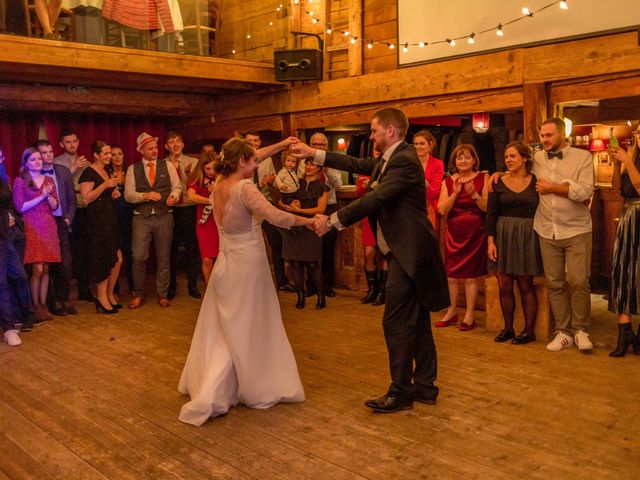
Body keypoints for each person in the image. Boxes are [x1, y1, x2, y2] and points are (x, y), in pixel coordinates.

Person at [292, 107, 449, 413]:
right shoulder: (388, 159)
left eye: (375, 131)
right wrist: (315, 153)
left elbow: (375, 198)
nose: (372, 136)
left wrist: (333, 220)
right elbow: (357, 163)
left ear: (390, 131)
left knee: (395, 320)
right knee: (416, 320)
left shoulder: (403, 160)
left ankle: (401, 391)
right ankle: (426, 387)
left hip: (411, 254)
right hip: (406, 251)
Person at [178, 136, 311, 426]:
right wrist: (310, 221)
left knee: (226, 327)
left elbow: (252, 156)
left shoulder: (218, 184)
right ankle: (245, 383)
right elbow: (276, 217)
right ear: (242, 162)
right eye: (252, 160)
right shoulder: (245, 187)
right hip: (249, 266)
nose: (257, 163)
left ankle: (217, 380)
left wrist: (280, 145)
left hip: (226, 264)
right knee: (248, 324)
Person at [534, 118, 595, 352]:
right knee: (555, 283)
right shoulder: (537, 158)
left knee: (579, 281)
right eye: (542, 136)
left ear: (561, 134)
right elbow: (517, 167)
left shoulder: (583, 158)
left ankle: (581, 330)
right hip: (546, 228)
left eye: (549, 135)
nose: (544, 140)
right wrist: (496, 176)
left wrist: (553, 188)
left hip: (576, 229)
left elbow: (585, 192)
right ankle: (563, 332)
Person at [486, 141, 543, 344]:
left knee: (526, 285)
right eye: (506, 157)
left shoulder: (537, 180)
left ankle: (529, 331)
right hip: (503, 235)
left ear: (525, 158)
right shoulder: (497, 182)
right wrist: (490, 242)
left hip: (528, 235)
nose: (508, 160)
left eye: (513, 156)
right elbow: (491, 214)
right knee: (504, 285)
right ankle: (508, 328)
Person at [125, 132, 182, 309]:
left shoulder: (168, 166)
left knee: (164, 257)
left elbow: (177, 187)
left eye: (156, 147)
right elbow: (128, 195)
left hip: (165, 216)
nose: (154, 150)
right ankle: (139, 293)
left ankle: (163, 294)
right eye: (150, 148)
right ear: (141, 150)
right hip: (141, 217)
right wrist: (145, 195)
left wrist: (173, 196)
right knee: (139, 256)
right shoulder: (133, 169)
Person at [436, 144, 489, 331]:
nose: (463, 161)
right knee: (451, 275)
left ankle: (469, 315)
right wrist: (455, 194)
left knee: (470, 277)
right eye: (459, 158)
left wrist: (474, 194)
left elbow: (487, 208)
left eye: (467, 157)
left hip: (475, 233)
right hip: (454, 232)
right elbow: (442, 209)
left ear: (474, 160)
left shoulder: (484, 178)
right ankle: (451, 311)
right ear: (455, 161)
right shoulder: (449, 181)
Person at [13, 148, 60, 323]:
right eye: (33, 159)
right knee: (37, 268)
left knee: (46, 267)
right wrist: (42, 195)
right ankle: (34, 305)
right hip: (31, 225)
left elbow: (55, 206)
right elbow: (20, 207)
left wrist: (48, 196)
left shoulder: (48, 180)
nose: (38, 162)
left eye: (39, 159)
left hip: (48, 225)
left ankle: (43, 304)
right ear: (26, 163)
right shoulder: (20, 181)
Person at [246, 131, 293, 292]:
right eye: (250, 140)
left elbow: (273, 181)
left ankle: (281, 281)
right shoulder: (242, 162)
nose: (253, 142)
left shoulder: (267, 161)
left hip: (265, 206)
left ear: (260, 142)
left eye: (256, 140)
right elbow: (245, 191)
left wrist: (278, 184)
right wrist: (262, 184)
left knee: (276, 241)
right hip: (248, 210)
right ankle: (254, 281)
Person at [79, 141, 123, 314]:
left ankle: (110, 294)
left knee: (117, 259)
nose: (109, 156)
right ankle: (102, 297)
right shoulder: (88, 172)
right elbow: (86, 198)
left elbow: (104, 194)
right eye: (105, 153)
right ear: (95, 155)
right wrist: (104, 186)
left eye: (109, 153)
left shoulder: (107, 170)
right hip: (96, 222)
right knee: (102, 260)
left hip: (110, 220)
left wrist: (112, 193)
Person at [607, 124, 640, 357]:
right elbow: (616, 190)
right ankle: (624, 330)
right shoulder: (633, 158)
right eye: (638, 132)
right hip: (629, 216)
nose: (639, 136)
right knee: (624, 272)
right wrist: (618, 163)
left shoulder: (633, 161)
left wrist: (627, 162)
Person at [280, 158, 329, 310]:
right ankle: (300, 297)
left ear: (319, 168)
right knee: (296, 264)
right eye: (307, 164)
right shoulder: (295, 182)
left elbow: (320, 210)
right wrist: (289, 206)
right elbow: (280, 200)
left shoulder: (322, 187)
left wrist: (299, 211)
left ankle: (321, 298)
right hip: (294, 227)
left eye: (312, 164)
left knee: (313, 264)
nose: (308, 167)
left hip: (311, 226)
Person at [34, 139, 77, 316]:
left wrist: (67, 219)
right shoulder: (31, 175)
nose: (49, 154)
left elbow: (72, 199)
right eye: (44, 152)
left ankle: (62, 299)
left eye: (50, 151)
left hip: (60, 221)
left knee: (65, 263)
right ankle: (50, 303)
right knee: (46, 266)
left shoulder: (64, 171)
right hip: (42, 223)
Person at [299, 133, 344, 299]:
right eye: (314, 144)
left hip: (330, 209)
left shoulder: (333, 161)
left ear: (326, 146)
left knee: (327, 249)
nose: (317, 147)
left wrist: (327, 170)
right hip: (310, 209)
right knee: (311, 248)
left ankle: (326, 286)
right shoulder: (303, 161)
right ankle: (311, 285)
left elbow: (339, 185)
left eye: (321, 145)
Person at [54, 128, 92, 301]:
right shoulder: (56, 162)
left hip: (83, 211)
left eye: (74, 141)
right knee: (64, 255)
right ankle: (62, 294)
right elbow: (57, 185)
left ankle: (84, 290)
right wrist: (73, 168)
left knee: (83, 251)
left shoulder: (87, 162)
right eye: (68, 142)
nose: (72, 145)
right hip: (65, 212)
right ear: (62, 144)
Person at [164, 131, 202, 300]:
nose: (175, 144)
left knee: (191, 247)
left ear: (183, 145)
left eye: (178, 141)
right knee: (170, 248)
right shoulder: (161, 164)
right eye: (171, 142)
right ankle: (171, 285)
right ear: (166, 146)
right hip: (171, 209)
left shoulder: (193, 162)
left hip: (188, 208)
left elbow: (197, 184)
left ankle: (192, 284)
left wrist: (185, 171)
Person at [187, 152, 220, 286]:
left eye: (214, 168)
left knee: (221, 257)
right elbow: (191, 197)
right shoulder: (197, 180)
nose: (211, 172)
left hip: (220, 220)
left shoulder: (222, 179)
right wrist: (210, 200)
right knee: (207, 258)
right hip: (204, 222)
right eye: (208, 169)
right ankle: (209, 288)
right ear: (202, 168)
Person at [356, 172, 387, 305]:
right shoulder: (365, 171)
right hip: (369, 216)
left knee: (386, 255)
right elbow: (359, 193)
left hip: (387, 216)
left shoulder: (391, 168)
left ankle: (382, 291)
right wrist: (364, 187)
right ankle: (372, 290)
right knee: (369, 254)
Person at [108, 145, 134, 296]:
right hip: (113, 219)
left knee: (130, 254)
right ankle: (114, 289)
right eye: (113, 154)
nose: (117, 157)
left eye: (120, 154)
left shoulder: (130, 172)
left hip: (130, 218)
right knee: (115, 256)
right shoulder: (106, 174)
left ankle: (133, 288)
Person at [413, 130, 444, 236]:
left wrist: (423, 181)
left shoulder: (438, 164)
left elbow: (434, 193)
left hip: (428, 207)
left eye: (422, 143)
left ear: (430, 144)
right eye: (416, 144)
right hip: (410, 207)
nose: (418, 147)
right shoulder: (409, 162)